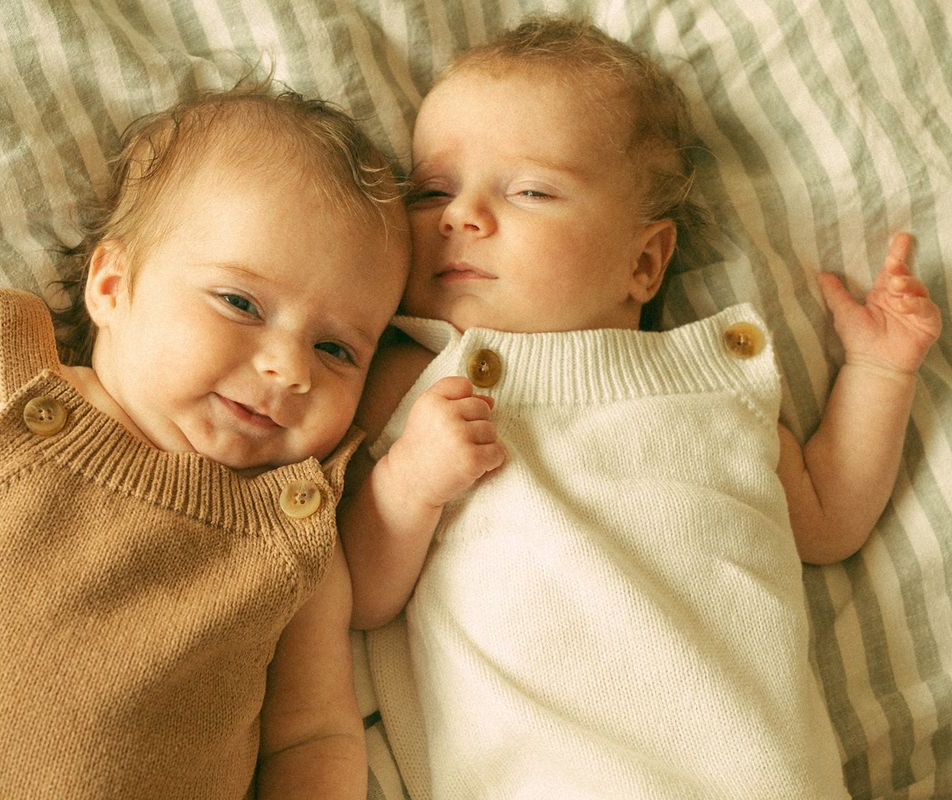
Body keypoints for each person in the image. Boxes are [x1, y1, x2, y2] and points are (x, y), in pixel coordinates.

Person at [339, 16, 942, 799]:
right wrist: (410, 485)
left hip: (758, 770)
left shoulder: (713, 383)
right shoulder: (415, 374)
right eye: (432, 191)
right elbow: (357, 591)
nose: (462, 216)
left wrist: (879, 371)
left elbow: (828, 520)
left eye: (528, 190)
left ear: (645, 261)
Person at [0, 83, 411, 799]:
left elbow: (314, 734)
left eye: (336, 350)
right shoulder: (3, 396)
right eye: (240, 303)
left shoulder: (296, 537)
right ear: (112, 284)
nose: (288, 368)